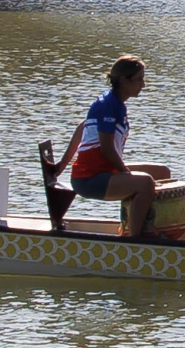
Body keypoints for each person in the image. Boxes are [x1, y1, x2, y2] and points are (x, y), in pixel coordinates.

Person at [55, 55, 170, 238]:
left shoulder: (114, 103)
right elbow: (107, 149)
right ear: (124, 80)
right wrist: (126, 173)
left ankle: (150, 226)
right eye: (139, 79)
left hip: (105, 171)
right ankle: (136, 240)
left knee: (162, 172)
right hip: (90, 179)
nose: (143, 85)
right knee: (145, 183)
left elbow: (83, 128)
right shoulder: (109, 105)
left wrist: (61, 165)